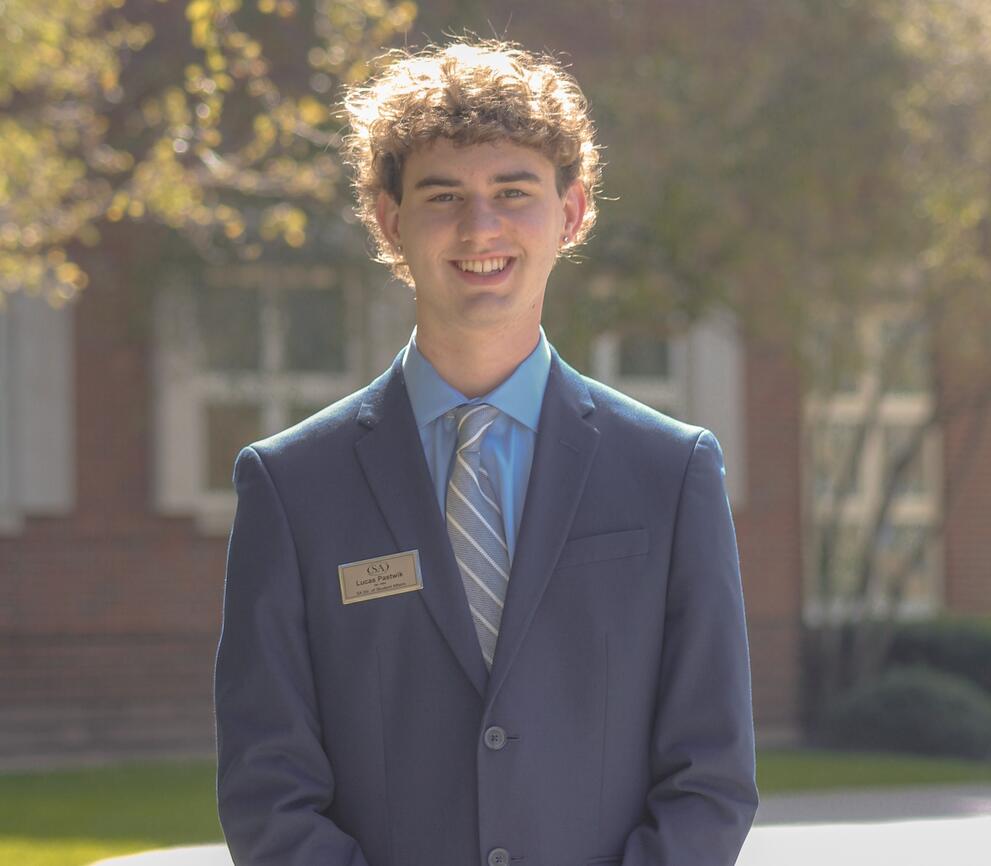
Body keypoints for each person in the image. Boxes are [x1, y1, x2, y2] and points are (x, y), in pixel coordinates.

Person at [215, 38, 758, 866]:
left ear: (570, 213)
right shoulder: (291, 487)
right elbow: (267, 788)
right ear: (389, 220)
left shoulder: (670, 473)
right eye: (443, 196)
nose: (481, 227)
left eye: (513, 191)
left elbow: (710, 777)